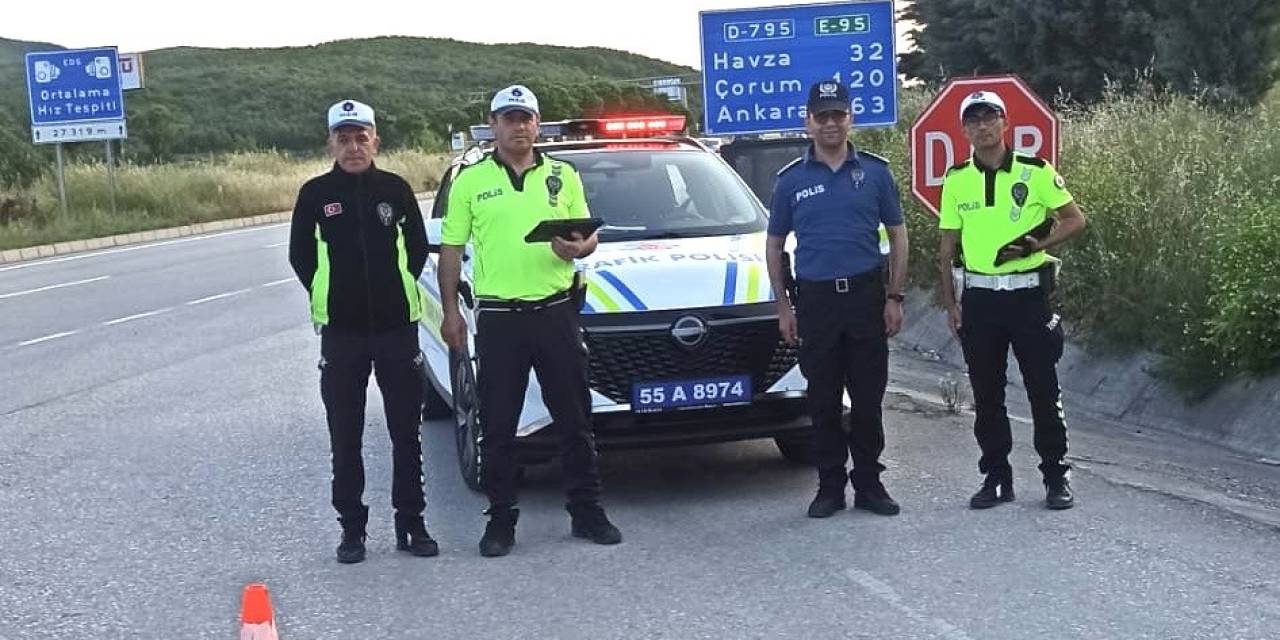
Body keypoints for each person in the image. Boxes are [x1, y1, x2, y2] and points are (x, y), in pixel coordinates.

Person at [436, 85, 622, 557]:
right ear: (493, 125)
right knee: (497, 425)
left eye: (527, 118)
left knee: (574, 419)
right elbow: (452, 250)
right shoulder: (471, 181)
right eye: (509, 118)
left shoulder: (563, 174)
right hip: (500, 318)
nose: (519, 127)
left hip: (556, 311)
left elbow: (588, 238)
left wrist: (579, 248)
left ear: (538, 124)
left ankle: (587, 511)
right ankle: (500, 520)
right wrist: (452, 312)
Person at [288, 99, 437, 563]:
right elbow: (301, 257)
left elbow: (415, 252)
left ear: (376, 140)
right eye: (344, 138)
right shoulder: (315, 194)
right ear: (331, 142)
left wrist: (396, 292)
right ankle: (352, 530)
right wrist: (333, 297)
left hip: (397, 331)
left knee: (405, 432)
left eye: (361, 137)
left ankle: (411, 523)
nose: (353, 146)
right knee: (345, 433)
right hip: (343, 335)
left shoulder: (395, 188)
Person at [936, 90, 1087, 510]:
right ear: (964, 129)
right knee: (987, 395)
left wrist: (1038, 243)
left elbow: (1075, 219)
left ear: (1004, 122)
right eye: (974, 121)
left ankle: (1056, 477)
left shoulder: (1035, 171)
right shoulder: (956, 179)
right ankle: (997, 478)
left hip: (1028, 299)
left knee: (1043, 388)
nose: (983, 127)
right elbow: (948, 246)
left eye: (990, 118)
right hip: (981, 299)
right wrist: (952, 304)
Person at [765, 80, 909, 519]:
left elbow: (899, 237)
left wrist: (895, 296)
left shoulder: (876, 173)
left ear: (850, 119)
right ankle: (829, 487)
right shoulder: (790, 181)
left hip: (866, 297)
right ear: (808, 121)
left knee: (867, 399)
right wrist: (784, 306)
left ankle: (869, 483)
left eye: (838, 115)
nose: (830, 123)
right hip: (816, 302)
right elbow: (774, 245)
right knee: (823, 399)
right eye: (822, 115)